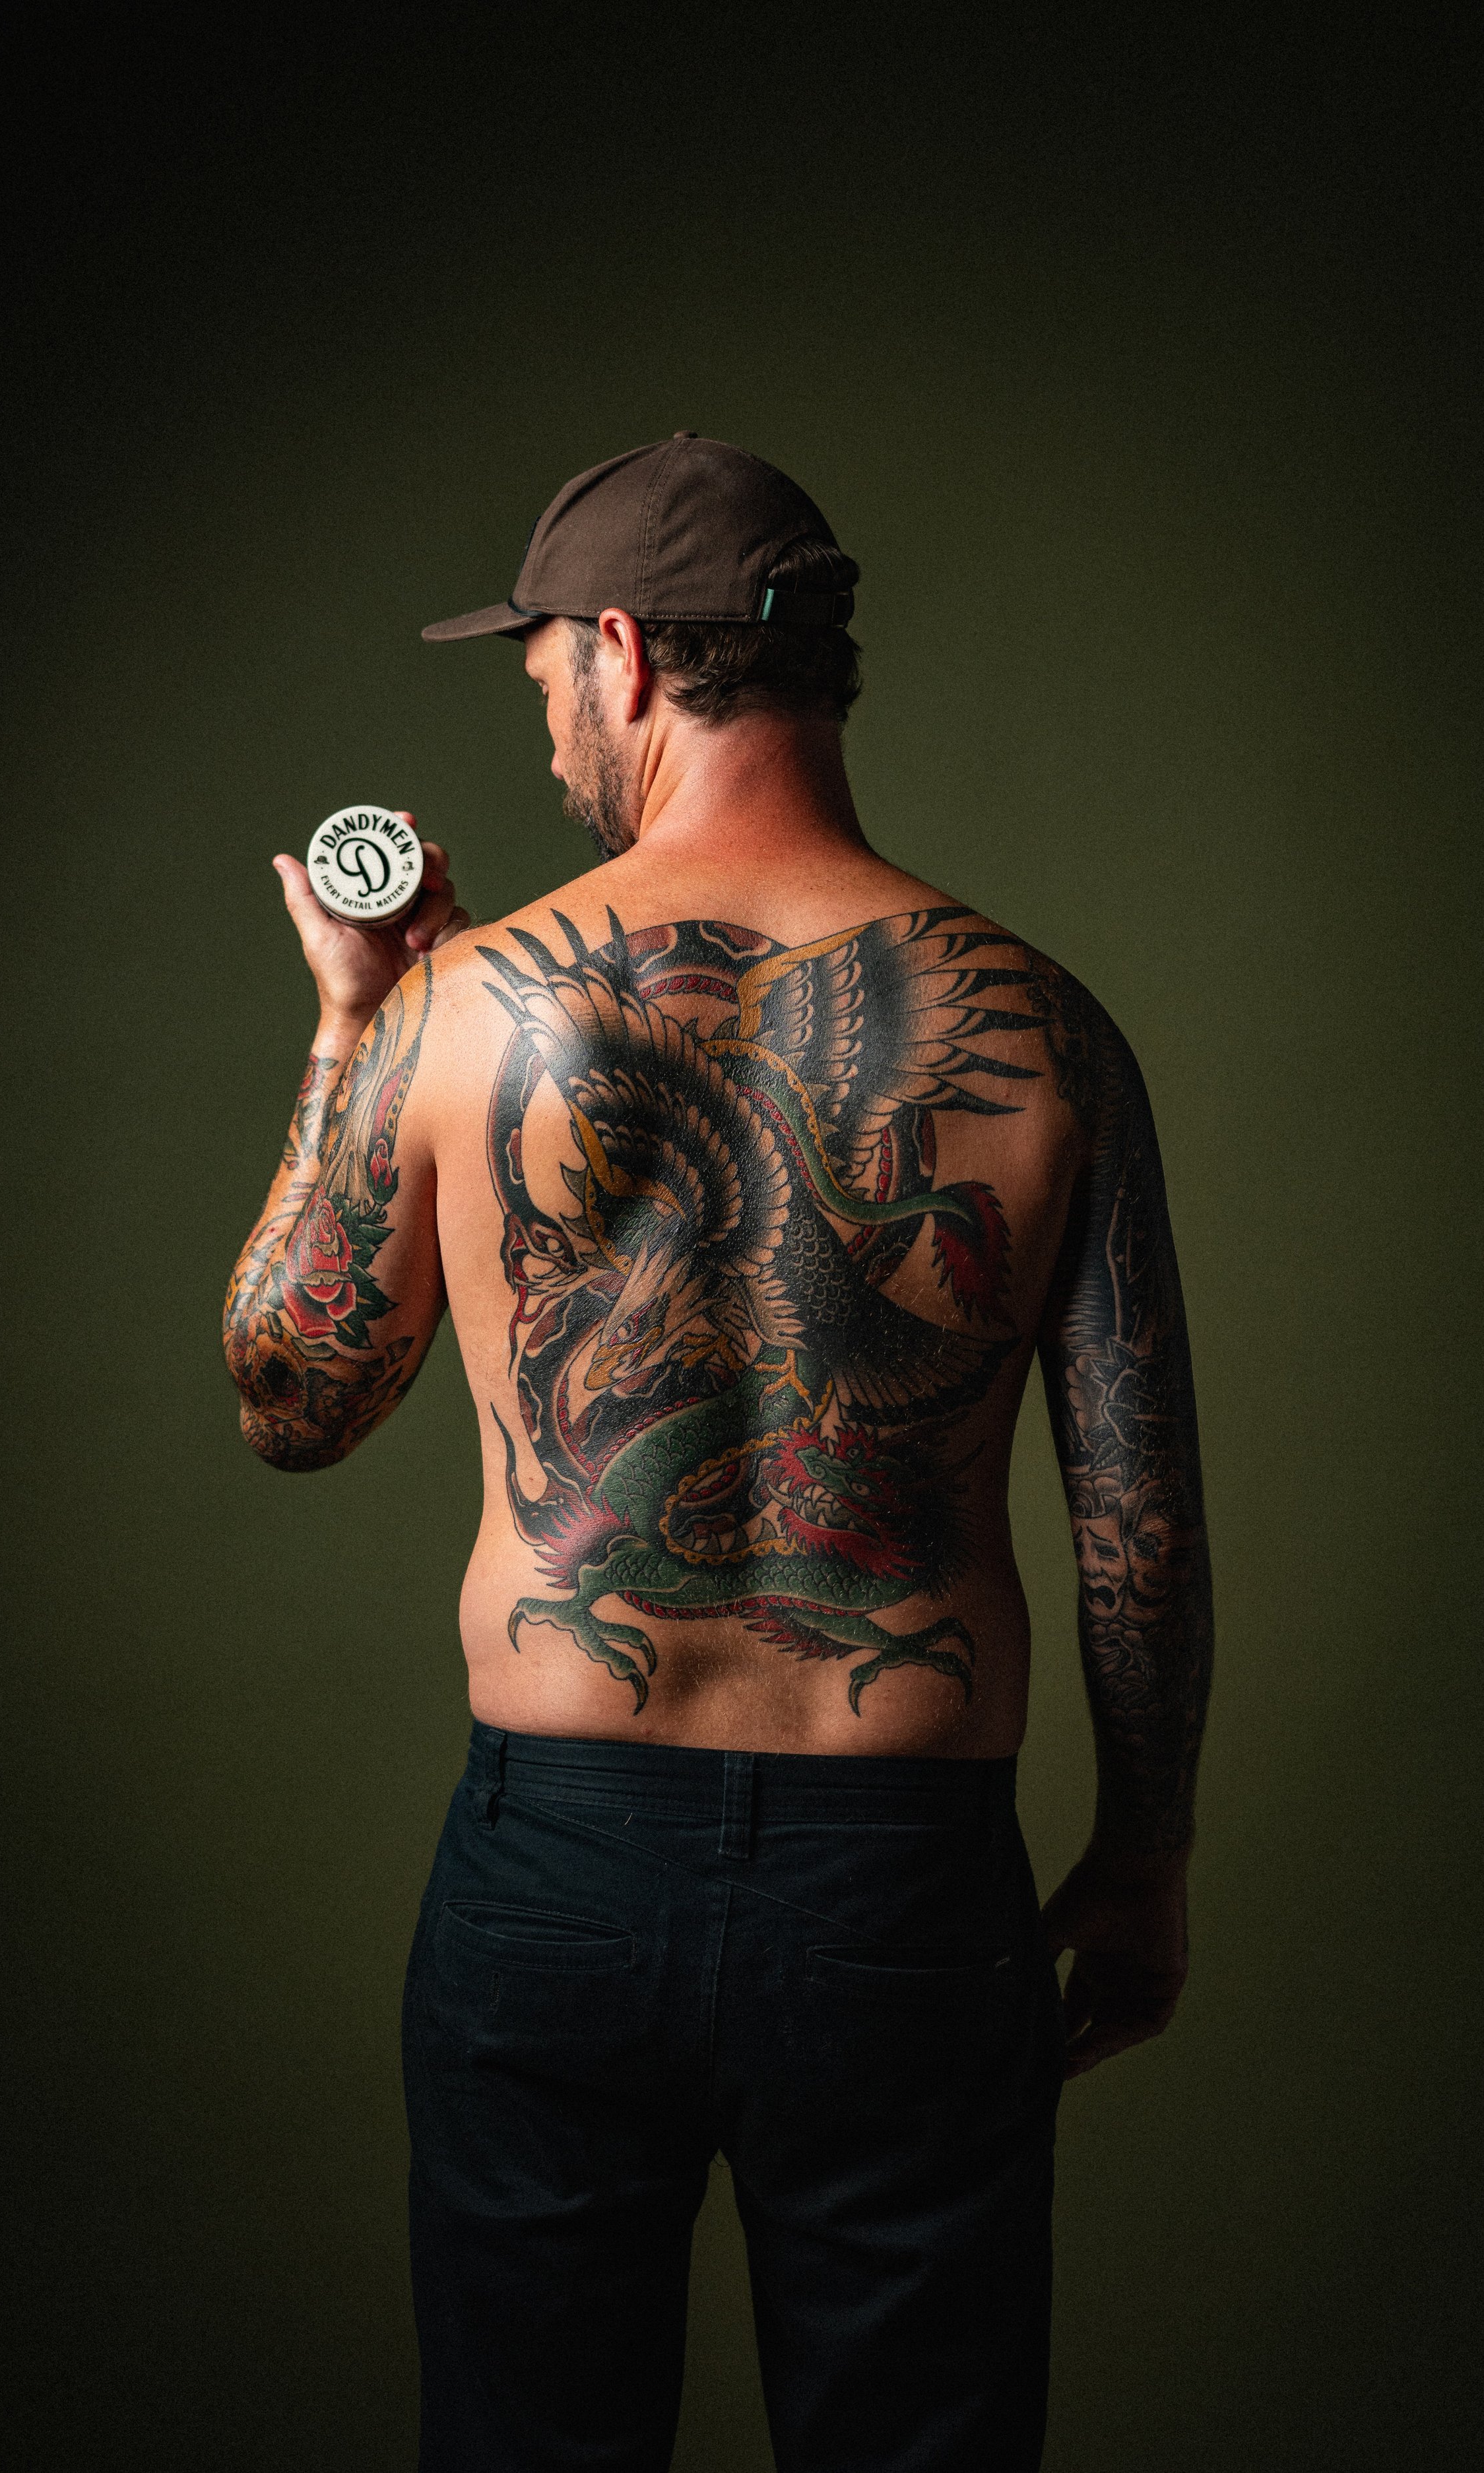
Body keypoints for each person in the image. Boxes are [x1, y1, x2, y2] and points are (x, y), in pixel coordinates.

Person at [222, 433, 1213, 2472]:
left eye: (544, 677)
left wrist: (347, 1028)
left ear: (620, 654)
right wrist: (1141, 1851)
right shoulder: (1043, 1019)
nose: (548, 719)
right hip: (905, 1883)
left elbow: (289, 1399)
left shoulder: (467, 1007)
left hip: (560, 1866)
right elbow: (1138, 1515)